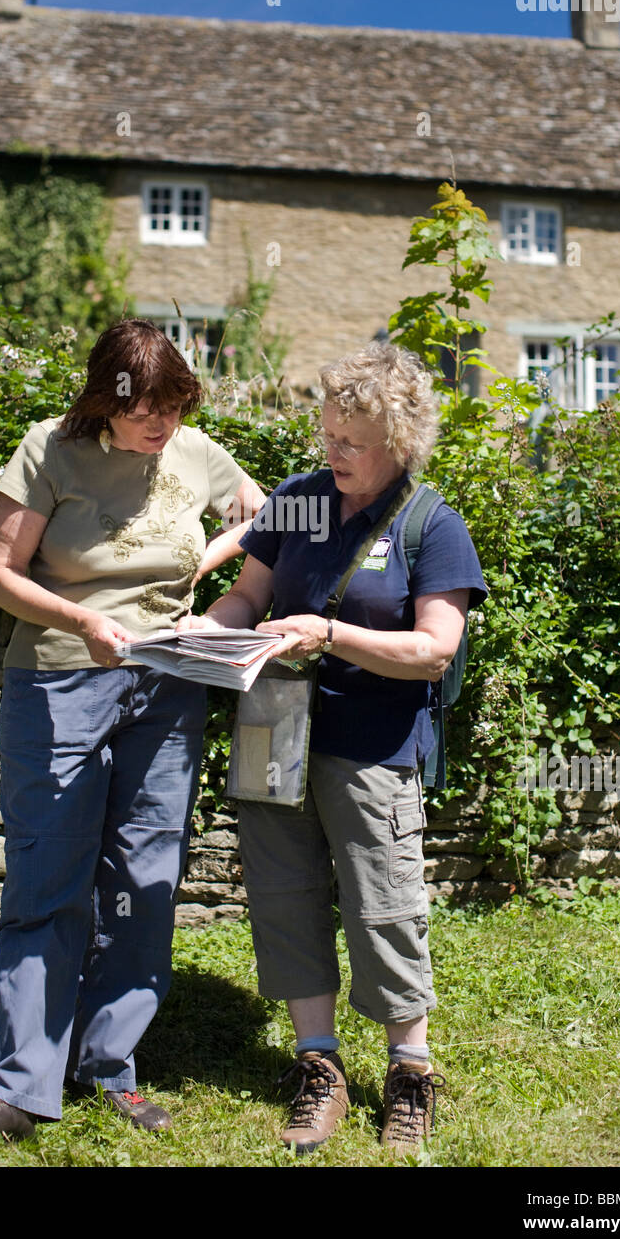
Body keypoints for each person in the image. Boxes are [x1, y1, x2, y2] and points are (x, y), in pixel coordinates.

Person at [0, 319, 265, 1141]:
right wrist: (80, 621)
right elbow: (0, 577)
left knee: (145, 877)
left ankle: (109, 1065)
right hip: (59, 679)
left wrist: (206, 565)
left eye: (175, 408)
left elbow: (267, 518)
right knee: (50, 879)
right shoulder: (48, 448)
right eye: (145, 410)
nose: (162, 426)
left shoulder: (197, 452)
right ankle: (19, 1086)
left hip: (167, 683)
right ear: (104, 401)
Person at [180, 341, 487, 1155]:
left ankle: (409, 1073)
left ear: (399, 437)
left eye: (350, 441)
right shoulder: (297, 502)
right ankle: (319, 1068)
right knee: (283, 899)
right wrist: (190, 639)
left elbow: (434, 651)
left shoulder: (432, 525)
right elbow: (245, 598)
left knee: (383, 907)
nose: (332, 453)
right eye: (327, 436)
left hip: (373, 748)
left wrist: (328, 633)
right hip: (272, 736)